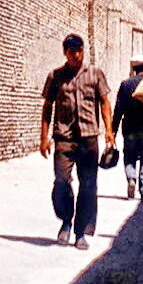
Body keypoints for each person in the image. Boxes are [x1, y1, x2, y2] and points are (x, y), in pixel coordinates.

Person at [40, 33, 115, 250]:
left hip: (88, 138)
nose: (76, 55)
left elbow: (104, 102)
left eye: (79, 50)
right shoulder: (55, 76)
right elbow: (47, 107)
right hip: (64, 138)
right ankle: (66, 221)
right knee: (61, 181)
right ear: (65, 53)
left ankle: (80, 231)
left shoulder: (95, 74)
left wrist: (109, 130)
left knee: (88, 185)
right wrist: (43, 137)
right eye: (72, 51)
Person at [112, 56, 143, 201]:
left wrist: (113, 130)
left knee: (129, 156)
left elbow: (118, 109)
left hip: (130, 128)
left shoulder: (126, 84)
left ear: (133, 69)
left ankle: (131, 178)